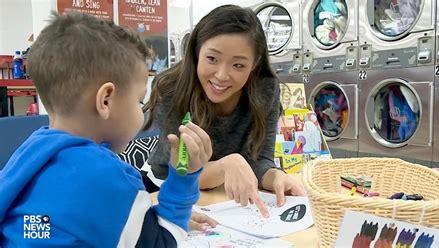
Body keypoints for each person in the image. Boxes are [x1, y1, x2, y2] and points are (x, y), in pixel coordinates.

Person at [0, 12, 214, 247]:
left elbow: (57, 221)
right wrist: (183, 179)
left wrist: (140, 217)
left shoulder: (29, 152)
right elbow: (162, 243)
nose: (140, 111)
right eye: (138, 101)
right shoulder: (109, 177)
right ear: (106, 100)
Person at [143, 5, 305, 217]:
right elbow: (180, 169)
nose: (221, 75)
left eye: (238, 65)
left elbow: (260, 158)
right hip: (165, 188)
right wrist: (226, 166)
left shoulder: (265, 88)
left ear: (254, 64)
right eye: (212, 59)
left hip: (225, 199)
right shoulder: (171, 88)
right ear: (196, 51)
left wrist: (273, 176)